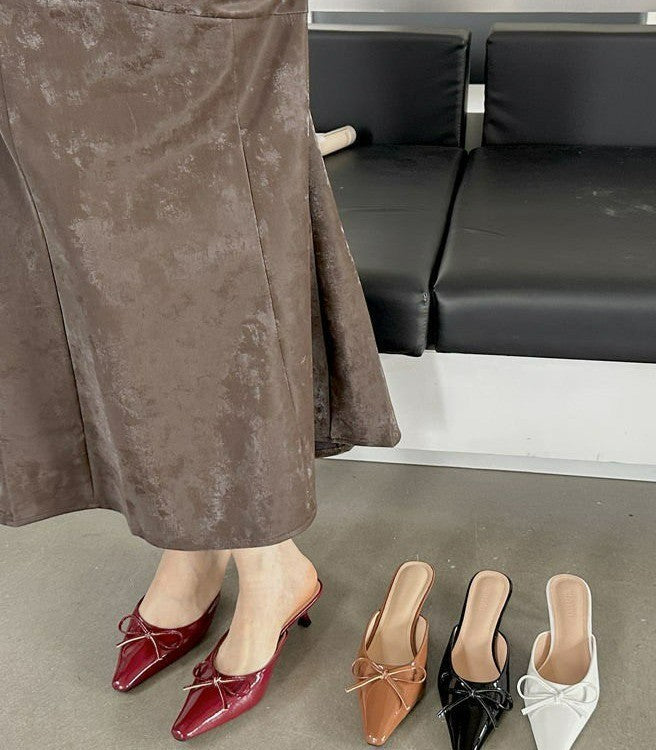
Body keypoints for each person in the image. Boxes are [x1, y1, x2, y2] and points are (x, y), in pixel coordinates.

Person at [0, 0, 400, 739]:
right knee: (104, 289)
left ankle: (269, 565)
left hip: (196, 32)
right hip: (40, 34)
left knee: (207, 289)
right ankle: (192, 550)